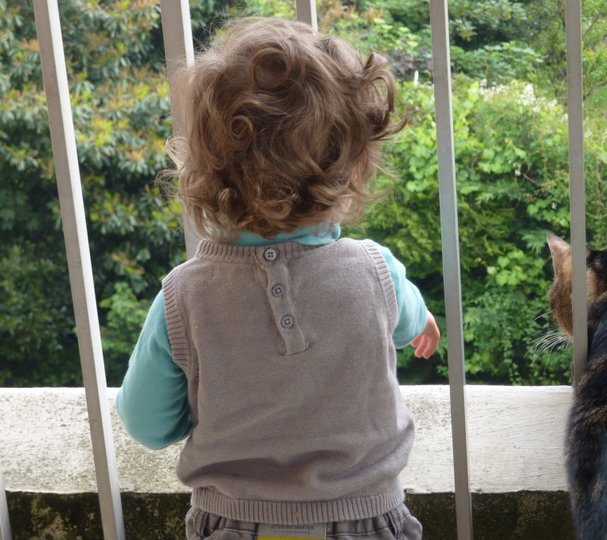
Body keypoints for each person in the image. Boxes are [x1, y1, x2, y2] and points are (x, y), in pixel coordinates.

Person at [116, 16, 440, 540]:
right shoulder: (376, 270)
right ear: (351, 165)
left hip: (234, 525)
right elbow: (407, 322)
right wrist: (421, 319)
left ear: (205, 168)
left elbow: (147, 425)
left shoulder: (184, 296)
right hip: (369, 522)